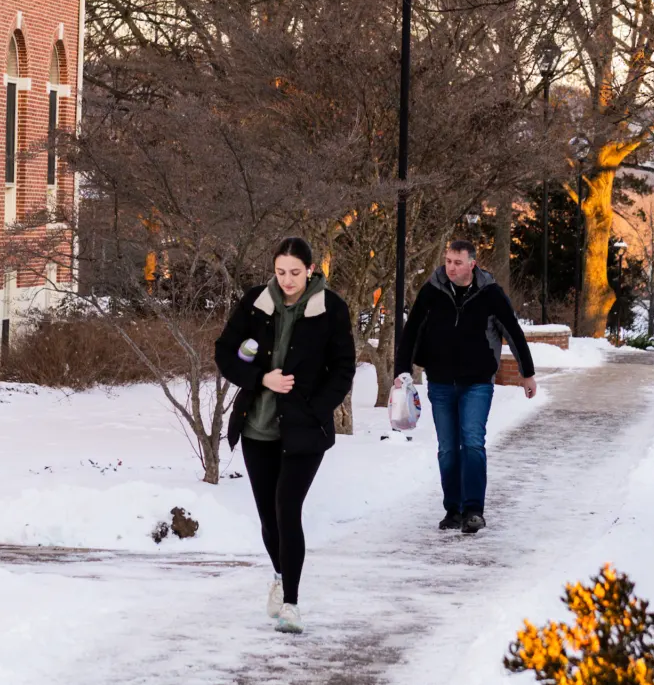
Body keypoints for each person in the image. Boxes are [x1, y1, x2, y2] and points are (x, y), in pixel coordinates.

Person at [214, 236, 359, 632]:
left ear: (310, 270)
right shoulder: (255, 303)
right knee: (267, 516)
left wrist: (315, 407)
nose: (288, 280)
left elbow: (344, 367)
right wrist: (262, 377)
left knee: (286, 508)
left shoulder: (331, 309)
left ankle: (292, 603)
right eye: (281, 272)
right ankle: (280, 576)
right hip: (258, 425)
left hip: (305, 429)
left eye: (295, 272)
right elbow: (225, 352)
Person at [393, 235, 536, 534]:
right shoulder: (432, 290)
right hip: (441, 382)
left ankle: (473, 510)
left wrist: (527, 373)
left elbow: (513, 331)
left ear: (472, 264)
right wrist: (402, 371)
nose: (451, 267)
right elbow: (411, 333)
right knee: (447, 448)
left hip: (477, 383)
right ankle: (453, 510)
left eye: (458, 263)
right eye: (448, 261)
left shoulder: (490, 293)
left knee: (471, 442)